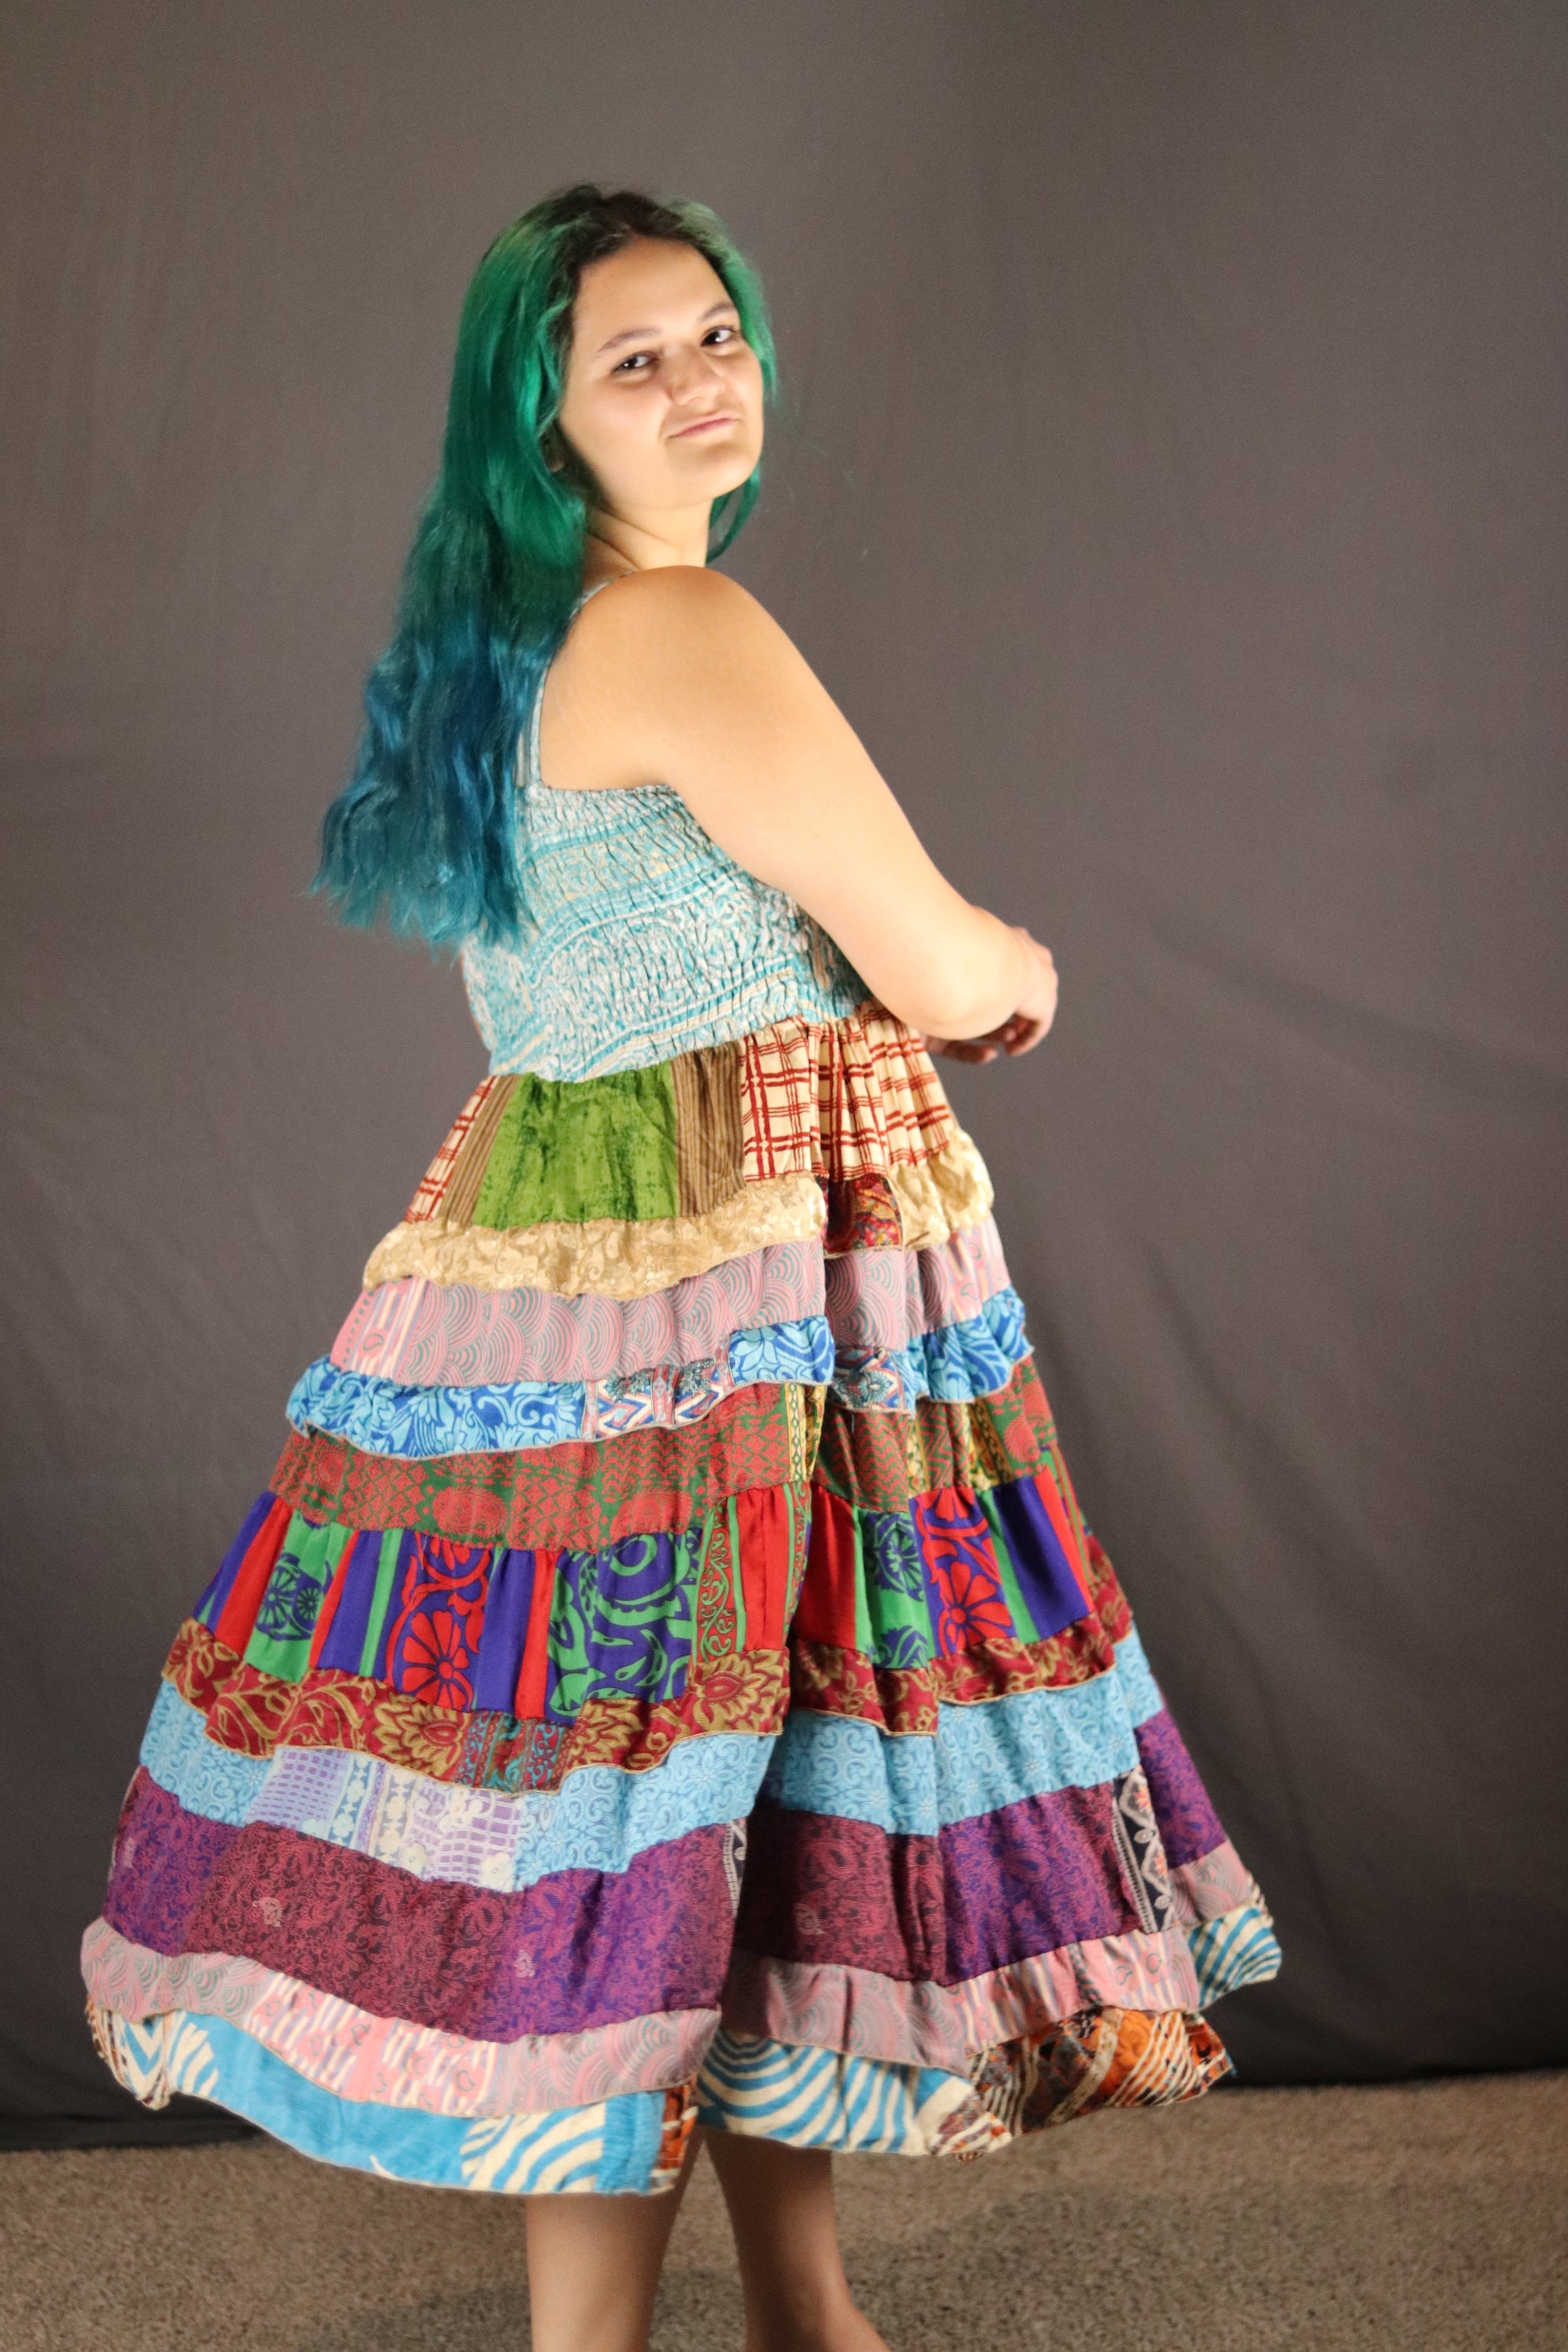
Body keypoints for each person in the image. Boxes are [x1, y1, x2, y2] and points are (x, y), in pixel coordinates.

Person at [83, 185, 1280, 2352]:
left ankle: (803, 2304)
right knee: (675, 1793)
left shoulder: (507, 651)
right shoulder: (685, 637)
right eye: (635, 358)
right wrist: (1010, 970)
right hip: (734, 1294)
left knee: (703, 1781)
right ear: (542, 422)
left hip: (566, 1284)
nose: (701, 379)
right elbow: (925, 951)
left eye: (716, 335)